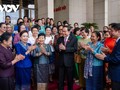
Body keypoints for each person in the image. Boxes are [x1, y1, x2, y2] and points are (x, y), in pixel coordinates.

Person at [95, 23, 120, 90]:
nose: (110, 32)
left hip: (117, 73)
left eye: (112, 31)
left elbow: (117, 59)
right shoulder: (117, 41)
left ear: (118, 31)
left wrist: (104, 58)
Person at [56, 26, 77, 90]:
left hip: (69, 62)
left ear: (69, 31)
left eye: (65, 31)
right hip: (61, 62)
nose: (63, 32)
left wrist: (65, 48)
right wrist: (59, 48)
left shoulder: (74, 38)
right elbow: (56, 47)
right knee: (60, 79)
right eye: (63, 31)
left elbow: (75, 49)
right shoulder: (60, 38)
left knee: (70, 79)